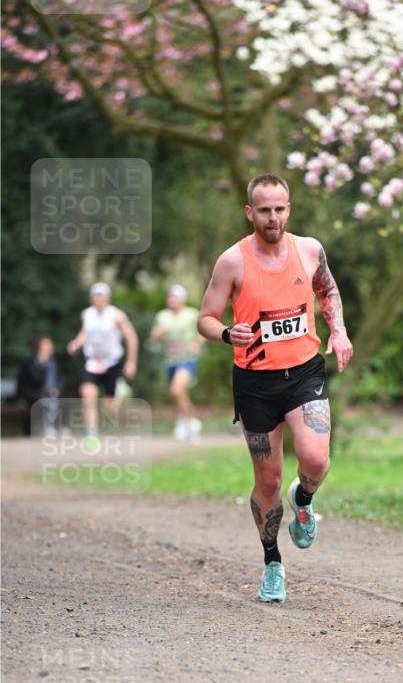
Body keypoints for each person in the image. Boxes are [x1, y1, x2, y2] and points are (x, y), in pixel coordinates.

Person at [198, 173, 353, 603]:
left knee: (316, 459)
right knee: (266, 482)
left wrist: (338, 331)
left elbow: (328, 288)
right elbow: (205, 318)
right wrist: (229, 334)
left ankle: (303, 499)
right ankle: (272, 563)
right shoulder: (232, 261)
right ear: (250, 212)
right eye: (264, 210)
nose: (273, 217)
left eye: (280, 208)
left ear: (289, 208)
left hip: (304, 371)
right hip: (255, 383)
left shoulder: (309, 250)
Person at [66, 282, 138, 440]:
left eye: (102, 296)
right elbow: (85, 334)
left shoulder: (117, 315)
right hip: (92, 362)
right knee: (87, 394)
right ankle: (91, 434)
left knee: (109, 409)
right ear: (91, 298)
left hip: (112, 363)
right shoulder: (86, 314)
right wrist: (76, 343)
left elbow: (131, 337)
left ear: (108, 298)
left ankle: (120, 391)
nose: (99, 299)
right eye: (96, 296)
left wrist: (131, 362)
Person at [149, 284, 204, 442]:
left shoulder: (191, 314)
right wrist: (157, 335)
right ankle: (188, 422)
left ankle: (188, 422)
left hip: (187, 359)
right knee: (179, 393)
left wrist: (196, 344)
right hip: (170, 360)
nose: (172, 300)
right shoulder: (162, 316)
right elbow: (153, 337)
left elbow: (203, 331)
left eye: (175, 297)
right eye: (170, 297)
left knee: (177, 389)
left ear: (182, 299)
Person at [16, 335, 61, 436]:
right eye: (45, 346)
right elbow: (34, 379)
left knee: (65, 398)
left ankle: (59, 428)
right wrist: (42, 363)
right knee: (44, 401)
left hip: (52, 393)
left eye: (49, 346)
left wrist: (57, 389)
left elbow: (59, 380)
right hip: (33, 393)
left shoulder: (54, 363)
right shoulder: (31, 362)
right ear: (38, 348)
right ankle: (45, 429)